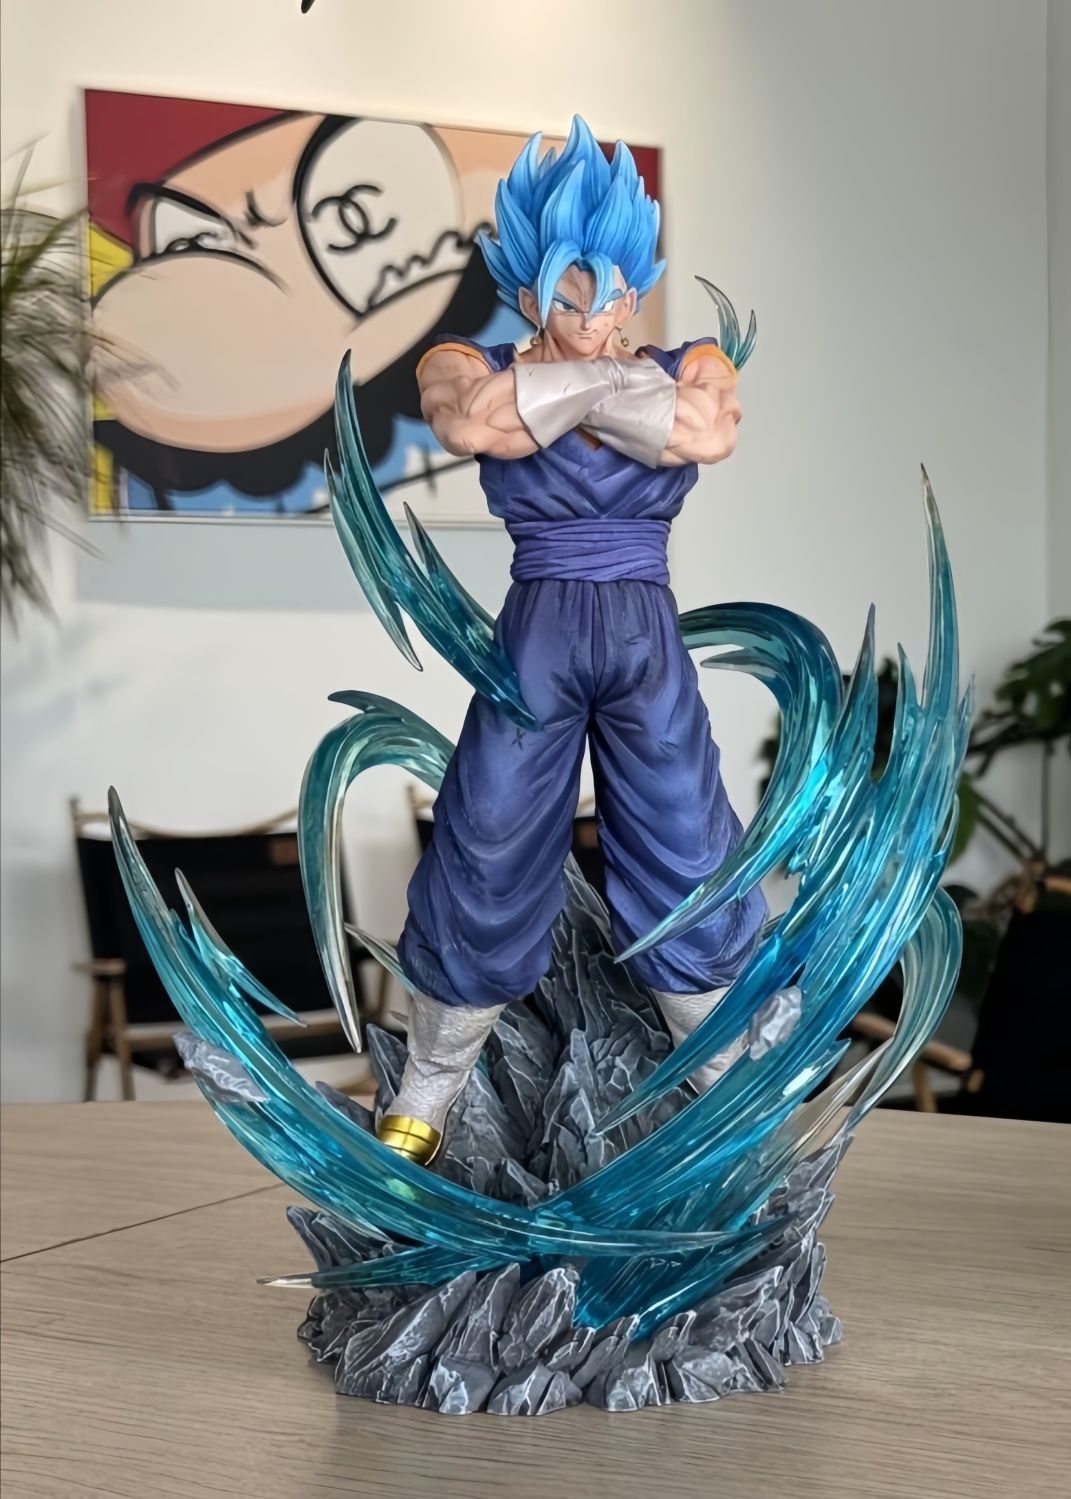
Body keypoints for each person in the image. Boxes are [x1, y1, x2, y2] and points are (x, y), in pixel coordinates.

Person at [377, 117, 767, 1165]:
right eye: (569, 298)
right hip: (537, 630)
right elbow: (472, 423)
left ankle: (731, 1101)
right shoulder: (461, 356)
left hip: (644, 629)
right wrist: (619, 393)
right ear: (526, 291)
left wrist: (562, 393)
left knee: (686, 842)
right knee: (488, 834)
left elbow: (706, 432)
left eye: (616, 296)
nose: (596, 320)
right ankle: (424, 1093)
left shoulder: (697, 358)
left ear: (639, 290)